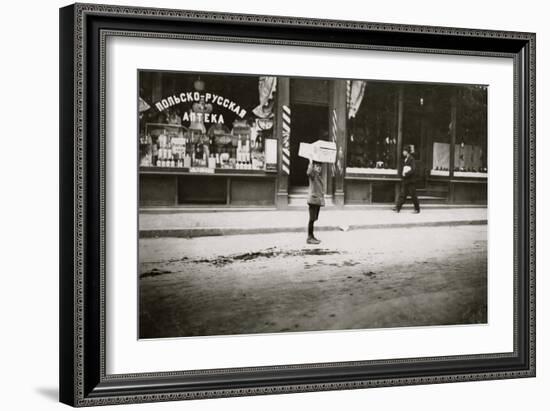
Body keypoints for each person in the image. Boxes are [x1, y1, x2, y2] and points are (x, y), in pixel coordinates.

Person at [393, 145, 420, 213]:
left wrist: (406, 174)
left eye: (404, 151)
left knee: (413, 195)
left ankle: (417, 209)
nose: (403, 152)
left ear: (407, 152)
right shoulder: (407, 158)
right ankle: (398, 207)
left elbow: (413, 170)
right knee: (403, 194)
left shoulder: (411, 159)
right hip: (406, 180)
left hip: (410, 181)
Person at [306, 156, 325, 244]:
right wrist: (310, 162)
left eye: (320, 167)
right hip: (313, 200)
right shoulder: (313, 175)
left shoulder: (318, 176)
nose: (319, 168)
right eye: (317, 167)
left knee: (314, 219)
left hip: (317, 200)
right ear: (314, 167)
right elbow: (309, 172)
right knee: (311, 219)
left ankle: (312, 236)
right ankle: (309, 238)